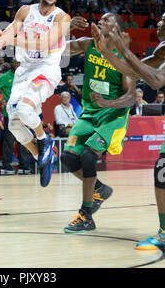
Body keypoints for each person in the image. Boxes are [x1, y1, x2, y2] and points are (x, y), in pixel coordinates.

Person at [0, 0, 88, 187]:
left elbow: (44, 43)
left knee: (26, 110)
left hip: (46, 70)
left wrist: (11, 39)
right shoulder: (25, 11)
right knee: (15, 125)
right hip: (24, 71)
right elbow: (10, 31)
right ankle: (43, 157)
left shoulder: (62, 17)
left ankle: (45, 140)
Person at [91, 12, 165, 250]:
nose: (159, 22)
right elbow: (136, 71)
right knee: (162, 169)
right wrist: (106, 52)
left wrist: (122, 49)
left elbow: (155, 81)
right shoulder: (163, 48)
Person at [61, 12, 136, 232]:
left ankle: (86, 215)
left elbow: (131, 96)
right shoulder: (88, 44)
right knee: (68, 157)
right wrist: (67, 28)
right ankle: (100, 189)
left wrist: (107, 102)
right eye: (101, 20)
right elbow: (57, 49)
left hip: (112, 116)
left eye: (107, 21)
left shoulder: (124, 58)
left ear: (119, 32)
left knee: (87, 156)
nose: (101, 22)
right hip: (90, 111)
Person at [0, 58, 31, 175]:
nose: (16, 63)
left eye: (19, 62)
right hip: (10, 113)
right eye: (14, 61)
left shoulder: (24, 76)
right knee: (9, 140)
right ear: (11, 64)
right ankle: (6, 165)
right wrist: (1, 100)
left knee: (25, 138)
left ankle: (24, 165)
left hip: (22, 111)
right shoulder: (5, 76)